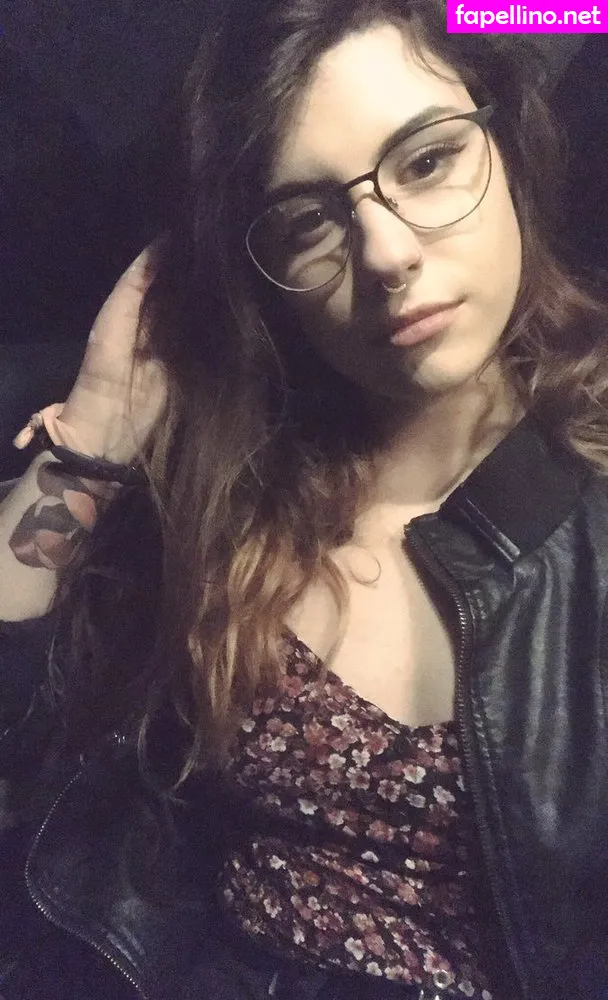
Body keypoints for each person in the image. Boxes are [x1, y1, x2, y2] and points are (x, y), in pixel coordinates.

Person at [0, 2, 607, 998]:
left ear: (508, 147)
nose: (386, 254)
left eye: (426, 161)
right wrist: (101, 420)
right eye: (307, 220)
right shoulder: (221, 493)